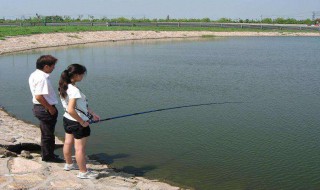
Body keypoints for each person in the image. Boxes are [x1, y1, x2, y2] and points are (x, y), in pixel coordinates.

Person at [58, 63, 100, 179]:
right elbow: (71, 109)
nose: (83, 77)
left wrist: (92, 114)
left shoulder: (63, 86)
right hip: (77, 122)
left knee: (67, 142)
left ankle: (69, 164)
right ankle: (83, 172)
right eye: (82, 74)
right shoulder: (74, 90)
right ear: (76, 75)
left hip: (67, 119)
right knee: (80, 148)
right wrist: (82, 122)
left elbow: (79, 106)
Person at [29, 55, 63, 162]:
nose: (54, 68)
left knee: (47, 133)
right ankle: (48, 156)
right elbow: (39, 96)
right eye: (53, 66)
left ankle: (49, 154)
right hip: (45, 109)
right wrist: (50, 108)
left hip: (41, 108)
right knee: (47, 134)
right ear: (46, 66)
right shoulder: (41, 78)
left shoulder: (35, 74)